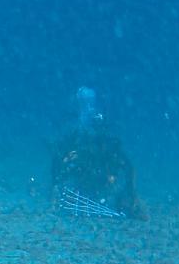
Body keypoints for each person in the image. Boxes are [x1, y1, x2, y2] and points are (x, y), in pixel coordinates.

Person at [50, 86, 142, 218]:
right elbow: (60, 160)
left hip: (97, 180)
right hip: (86, 180)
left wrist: (132, 194)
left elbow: (128, 166)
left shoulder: (107, 145)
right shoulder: (77, 140)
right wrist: (56, 187)